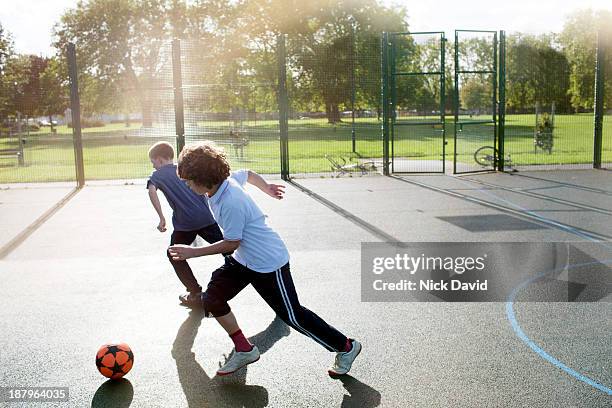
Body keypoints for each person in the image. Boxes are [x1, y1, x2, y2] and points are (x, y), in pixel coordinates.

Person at [168, 141, 361, 377]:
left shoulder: (230, 201)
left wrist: (192, 252)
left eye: (188, 180)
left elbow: (231, 243)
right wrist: (267, 187)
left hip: (268, 262)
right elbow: (247, 174)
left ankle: (346, 347)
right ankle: (244, 349)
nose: (187, 185)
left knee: (293, 315)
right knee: (212, 298)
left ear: (203, 177)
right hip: (244, 260)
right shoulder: (220, 185)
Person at [147, 141, 228, 305]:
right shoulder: (185, 168)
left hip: (185, 225)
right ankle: (253, 269)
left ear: (160, 159)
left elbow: (151, 190)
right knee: (228, 248)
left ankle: (195, 292)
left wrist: (161, 217)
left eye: (153, 162)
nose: (154, 166)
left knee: (174, 254)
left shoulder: (157, 175)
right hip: (207, 218)